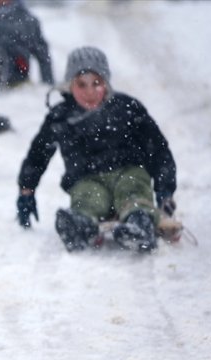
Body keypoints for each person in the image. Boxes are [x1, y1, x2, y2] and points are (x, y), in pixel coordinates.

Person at [16, 46, 177, 253]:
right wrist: (26, 190)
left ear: (106, 83)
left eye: (96, 83)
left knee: (133, 192)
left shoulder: (127, 108)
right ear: (69, 85)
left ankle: (139, 225)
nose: (90, 92)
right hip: (86, 178)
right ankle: (79, 226)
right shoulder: (61, 117)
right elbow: (38, 154)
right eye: (81, 84)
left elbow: (158, 149)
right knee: (87, 199)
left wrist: (165, 190)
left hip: (128, 171)